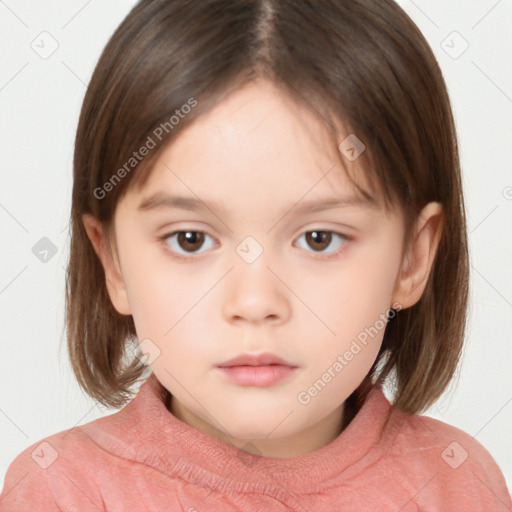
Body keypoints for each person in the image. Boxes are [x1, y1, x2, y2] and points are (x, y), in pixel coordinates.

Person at [1, 0, 510, 510]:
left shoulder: (455, 484)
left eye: (319, 238)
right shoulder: (61, 491)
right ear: (112, 263)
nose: (254, 302)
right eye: (190, 239)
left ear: (412, 258)